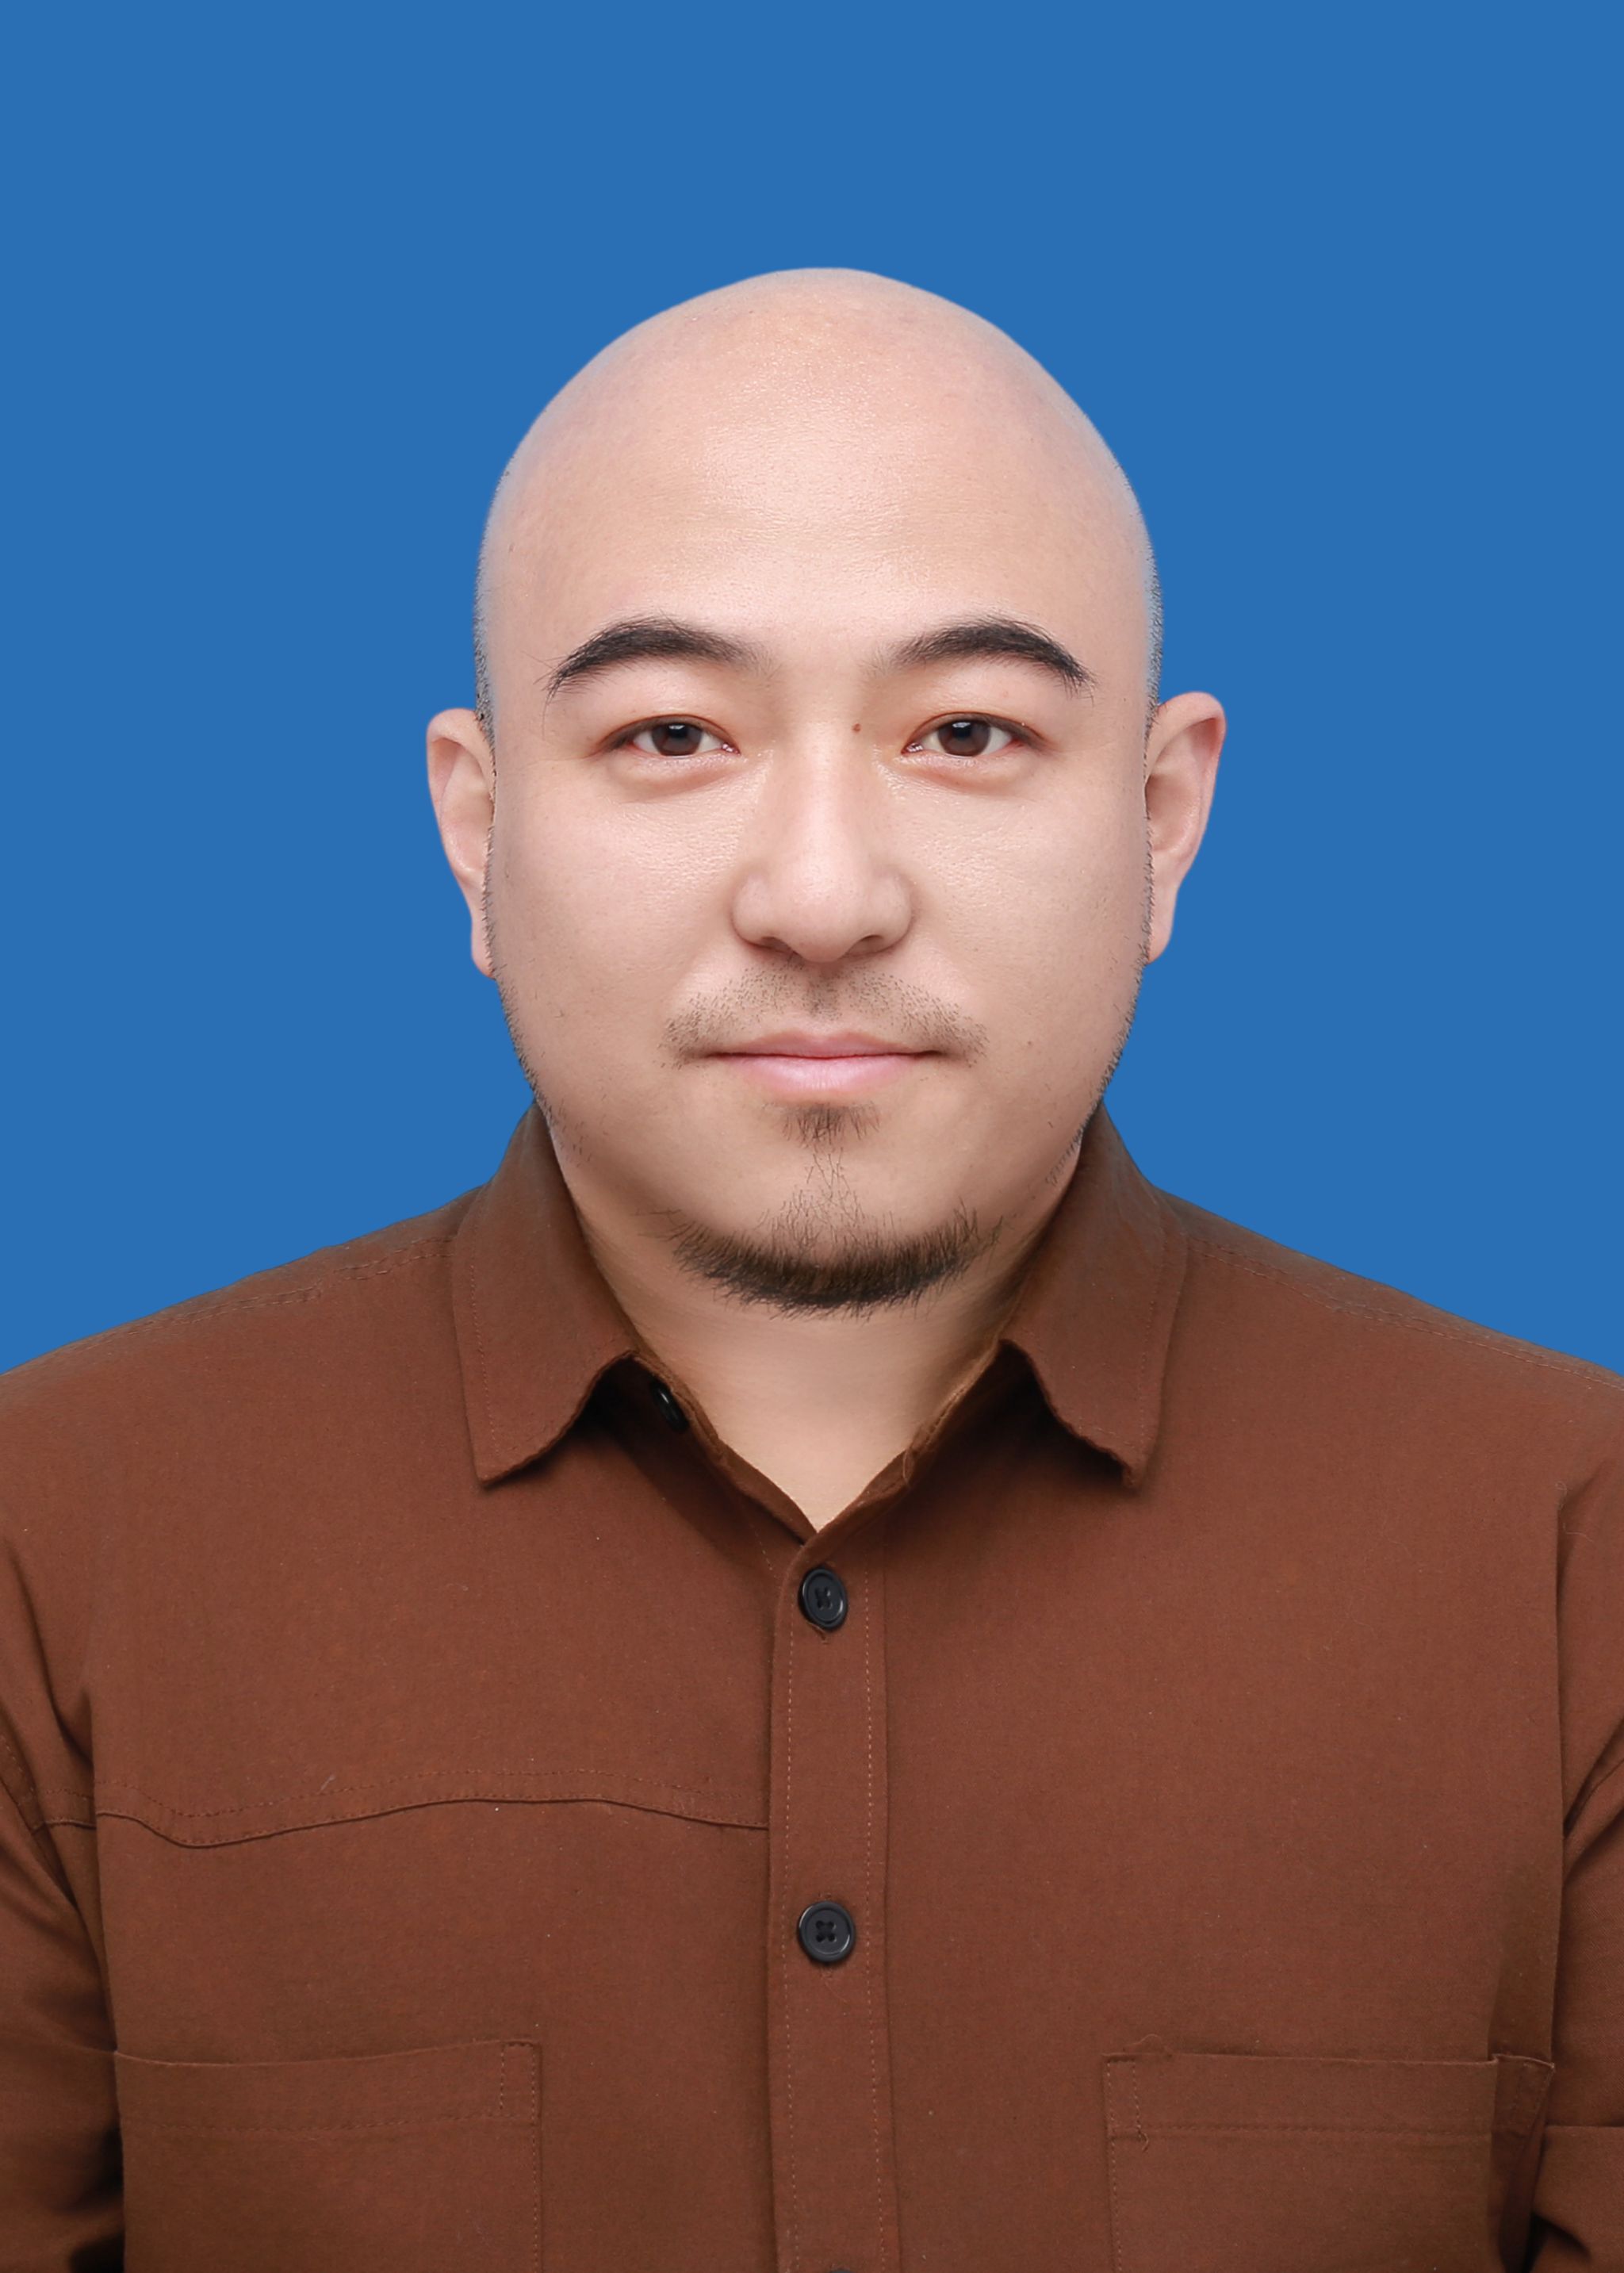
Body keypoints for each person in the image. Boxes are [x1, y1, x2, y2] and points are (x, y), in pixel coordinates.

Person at [0, 267, 1617, 2271]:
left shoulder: (1576, 1548)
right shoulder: (53, 1536)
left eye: (967, 730)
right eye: (673, 732)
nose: (823, 896)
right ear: (478, 830)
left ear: (1162, 815)